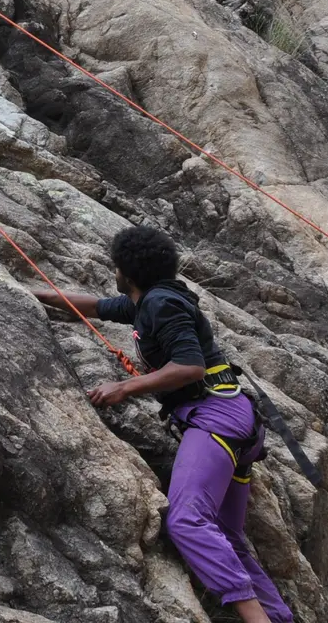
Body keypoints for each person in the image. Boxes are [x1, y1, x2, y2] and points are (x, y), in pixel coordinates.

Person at [32, 225, 293, 623]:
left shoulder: (160, 305)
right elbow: (97, 306)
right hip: (235, 422)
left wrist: (126, 386)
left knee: (187, 521)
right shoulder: (147, 300)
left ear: (128, 272)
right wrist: (37, 294)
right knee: (227, 536)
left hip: (216, 419)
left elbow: (190, 366)